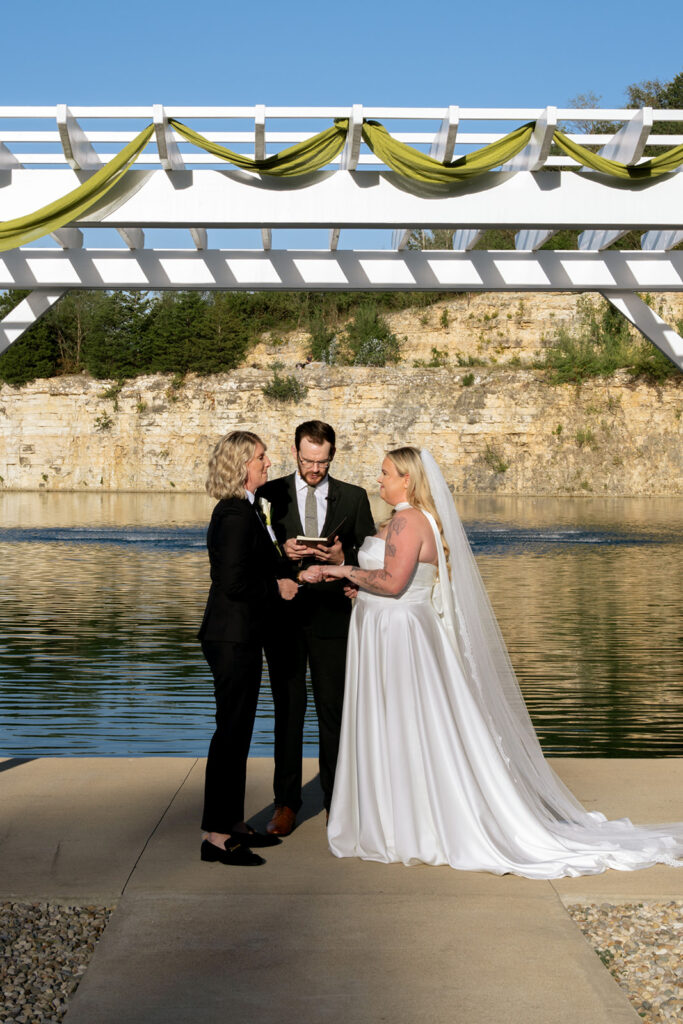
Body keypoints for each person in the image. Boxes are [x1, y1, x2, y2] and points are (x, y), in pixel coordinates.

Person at [318, 447, 683, 878]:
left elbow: (395, 582)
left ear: (407, 480)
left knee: (404, 723)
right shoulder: (408, 520)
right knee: (406, 725)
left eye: (385, 474)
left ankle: (412, 824)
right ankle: (406, 818)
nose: (377, 480)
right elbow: (400, 579)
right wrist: (357, 578)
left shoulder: (407, 520)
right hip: (390, 630)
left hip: (398, 636)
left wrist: (342, 574)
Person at [257, 420, 375, 835]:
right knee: (288, 711)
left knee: (334, 711)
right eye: (308, 460)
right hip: (284, 618)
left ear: (332, 456)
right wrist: (284, 555)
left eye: (322, 462)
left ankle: (337, 802)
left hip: (333, 617)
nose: (315, 469)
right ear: (295, 453)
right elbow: (255, 558)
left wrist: (345, 555)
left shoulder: (355, 497)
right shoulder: (269, 496)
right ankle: (286, 805)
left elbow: (369, 556)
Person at [198, 430, 298, 867]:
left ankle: (233, 824)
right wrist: (278, 586)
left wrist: (290, 561)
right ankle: (216, 836)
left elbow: (252, 566)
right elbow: (233, 583)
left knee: (237, 733)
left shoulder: (247, 510)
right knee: (230, 735)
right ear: (242, 465)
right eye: (261, 457)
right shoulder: (236, 514)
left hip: (239, 635)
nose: (268, 462)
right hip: (231, 636)